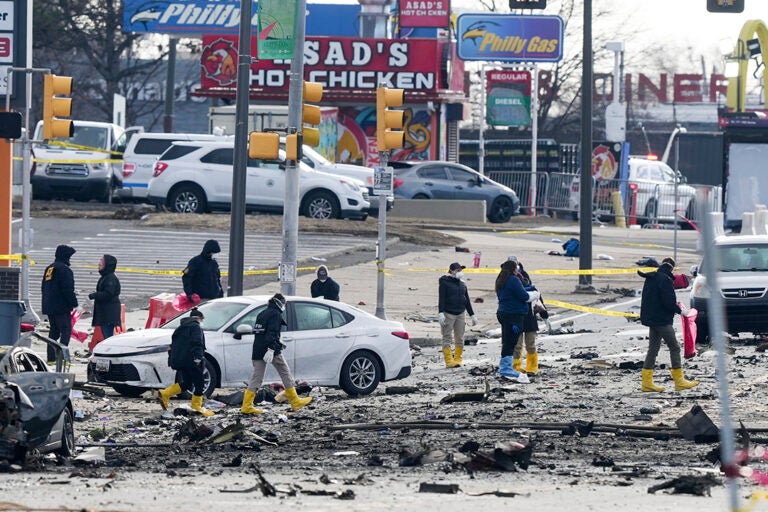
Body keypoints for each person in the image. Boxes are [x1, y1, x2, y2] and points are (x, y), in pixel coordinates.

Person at [241, 293, 313, 414]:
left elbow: (261, 333)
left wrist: (278, 342)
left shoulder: (262, 313)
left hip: (258, 349)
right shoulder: (275, 314)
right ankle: (295, 401)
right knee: (285, 372)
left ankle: (246, 406)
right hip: (271, 350)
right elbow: (272, 333)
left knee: (257, 377)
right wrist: (272, 348)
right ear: (279, 303)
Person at [638, 257, 699, 392]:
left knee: (653, 349)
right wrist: (681, 311)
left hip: (652, 319)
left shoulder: (652, 277)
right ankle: (679, 381)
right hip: (662, 320)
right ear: (672, 268)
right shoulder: (665, 280)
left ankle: (646, 383)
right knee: (675, 348)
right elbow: (669, 302)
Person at [157, 308, 215, 416]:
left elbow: (172, 346)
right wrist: (198, 358)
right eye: (202, 320)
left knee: (187, 383)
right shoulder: (195, 327)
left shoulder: (180, 327)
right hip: (192, 360)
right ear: (199, 318)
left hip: (181, 360)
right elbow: (197, 342)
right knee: (200, 383)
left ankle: (165, 393)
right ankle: (196, 406)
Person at [496, 259, 539, 383]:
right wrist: (534, 295)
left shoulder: (501, 279)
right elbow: (524, 296)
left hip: (503, 313)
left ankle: (505, 366)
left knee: (507, 340)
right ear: (513, 269)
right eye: (516, 267)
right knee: (512, 341)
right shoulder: (513, 279)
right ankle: (506, 368)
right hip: (514, 315)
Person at [508, 255, 546, 375]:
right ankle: (516, 366)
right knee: (517, 345)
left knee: (530, 343)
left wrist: (544, 313)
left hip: (529, 316)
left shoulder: (524, 276)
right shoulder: (506, 279)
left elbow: (536, 293)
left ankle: (532, 367)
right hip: (516, 316)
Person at [41, 244, 78, 364]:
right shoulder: (65, 270)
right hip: (61, 307)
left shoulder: (50, 268)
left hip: (49, 305)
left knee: (54, 332)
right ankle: (63, 358)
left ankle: (51, 358)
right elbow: (67, 289)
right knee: (66, 330)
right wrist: (74, 303)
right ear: (66, 256)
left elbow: (44, 287)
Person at [437, 262, 477, 368]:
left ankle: (458, 358)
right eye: (458, 270)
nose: (460, 272)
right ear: (452, 271)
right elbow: (441, 298)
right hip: (448, 313)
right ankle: (449, 360)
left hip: (460, 314)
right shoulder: (445, 283)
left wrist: (472, 315)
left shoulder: (462, 284)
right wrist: (440, 313)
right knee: (447, 337)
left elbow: (467, 300)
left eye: (461, 270)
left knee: (459, 337)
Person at [88, 254, 121, 342]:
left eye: (101, 264)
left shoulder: (110, 278)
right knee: (106, 335)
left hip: (108, 314)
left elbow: (108, 294)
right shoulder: (105, 277)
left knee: (108, 338)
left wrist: (94, 295)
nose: (98, 265)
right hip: (104, 314)